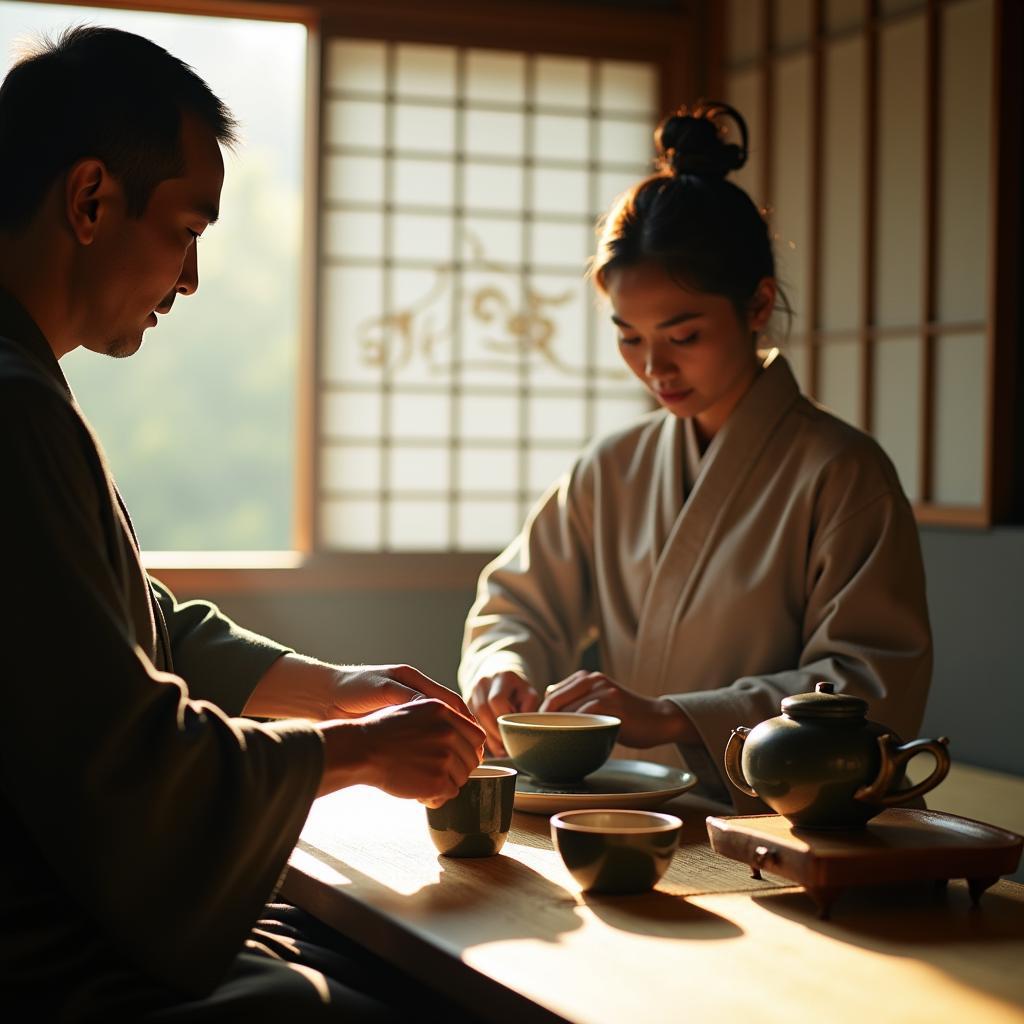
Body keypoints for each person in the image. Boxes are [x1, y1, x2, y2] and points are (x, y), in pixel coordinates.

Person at [0, 26, 485, 1021]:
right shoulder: (12, 411)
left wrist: (343, 691)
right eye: (186, 230)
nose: (188, 279)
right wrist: (354, 754)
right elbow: (125, 764)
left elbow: (136, 624)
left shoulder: (25, 394)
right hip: (39, 960)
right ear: (91, 199)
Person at [459, 102, 932, 809]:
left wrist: (674, 715)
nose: (655, 368)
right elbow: (517, 607)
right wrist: (503, 668)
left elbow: (867, 685)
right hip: (635, 810)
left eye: (683, 335)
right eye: (629, 336)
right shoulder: (611, 466)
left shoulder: (843, 472)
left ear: (758, 303)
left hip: (795, 821)